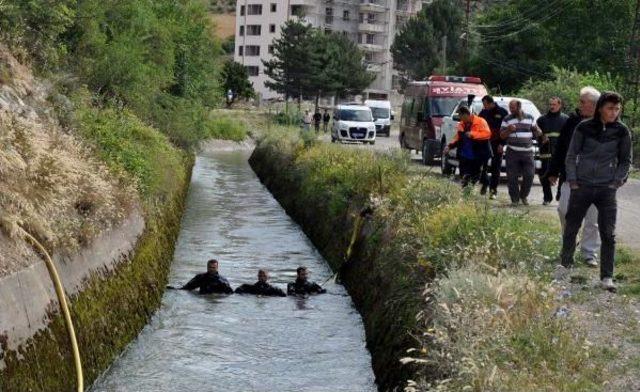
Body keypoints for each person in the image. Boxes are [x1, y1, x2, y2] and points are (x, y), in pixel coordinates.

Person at [555, 92, 632, 291]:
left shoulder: (622, 131)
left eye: (617, 109)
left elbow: (625, 161)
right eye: (610, 108)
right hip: (582, 186)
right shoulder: (584, 127)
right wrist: (572, 180)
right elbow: (571, 155)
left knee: (608, 233)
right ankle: (565, 265)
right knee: (571, 227)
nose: (613, 113)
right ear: (600, 108)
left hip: (606, 189)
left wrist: (617, 181)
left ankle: (607, 277)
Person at [546, 87, 601, 266]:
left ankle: (589, 253)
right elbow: (561, 147)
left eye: (582, 102)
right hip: (571, 177)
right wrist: (553, 171)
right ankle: (570, 242)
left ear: (593, 105)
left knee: (592, 219)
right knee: (564, 210)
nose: (579, 105)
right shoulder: (572, 121)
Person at [500, 99, 545, 206]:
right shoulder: (507, 119)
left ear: (519, 107)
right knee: (512, 177)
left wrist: (538, 131)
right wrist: (509, 130)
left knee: (530, 175)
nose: (510, 110)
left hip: (528, 152)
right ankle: (515, 200)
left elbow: (538, 132)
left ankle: (523, 196)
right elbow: (502, 135)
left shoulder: (529, 118)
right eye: (510, 107)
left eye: (513, 108)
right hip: (512, 152)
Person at [444, 106, 492, 188]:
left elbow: (487, 134)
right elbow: (457, 138)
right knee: (463, 174)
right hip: (464, 154)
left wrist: (473, 134)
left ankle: (471, 189)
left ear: (466, 114)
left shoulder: (480, 121)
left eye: (461, 116)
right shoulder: (462, 124)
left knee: (475, 175)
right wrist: (449, 146)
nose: (460, 119)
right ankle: (465, 190)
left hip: (478, 154)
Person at [536, 97, 568, 205]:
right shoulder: (541, 120)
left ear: (560, 105)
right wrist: (541, 138)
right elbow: (536, 134)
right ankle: (547, 197)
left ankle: (560, 193)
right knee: (544, 176)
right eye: (550, 104)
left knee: (563, 175)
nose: (552, 106)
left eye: (554, 104)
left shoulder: (566, 119)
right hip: (546, 152)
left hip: (562, 153)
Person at [478, 95, 509, 198]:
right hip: (485, 143)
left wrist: (502, 143)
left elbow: (506, 130)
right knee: (481, 167)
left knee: (496, 168)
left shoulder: (502, 112)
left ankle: (493, 191)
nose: (484, 106)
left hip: (497, 143)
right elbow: (477, 125)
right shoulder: (483, 112)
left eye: (485, 104)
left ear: (490, 103)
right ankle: (485, 182)